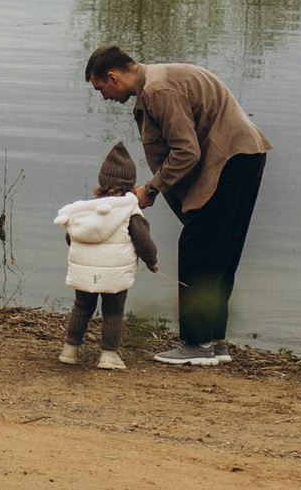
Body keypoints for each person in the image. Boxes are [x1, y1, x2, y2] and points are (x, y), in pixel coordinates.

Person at [84, 45, 270, 367]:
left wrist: (151, 190)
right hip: (244, 157)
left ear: (113, 76)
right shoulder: (157, 81)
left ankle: (196, 343)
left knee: (197, 246)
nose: (104, 97)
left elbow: (187, 152)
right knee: (219, 250)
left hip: (230, 160)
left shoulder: (158, 90)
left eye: (101, 88)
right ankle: (216, 342)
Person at [52, 142, 160, 370]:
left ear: (102, 181)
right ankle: (109, 355)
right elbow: (143, 243)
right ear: (131, 184)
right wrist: (151, 261)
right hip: (115, 272)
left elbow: (71, 238)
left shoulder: (85, 211)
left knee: (81, 307)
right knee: (113, 311)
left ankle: (69, 350)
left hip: (84, 269)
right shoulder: (130, 212)